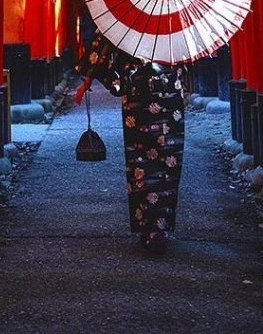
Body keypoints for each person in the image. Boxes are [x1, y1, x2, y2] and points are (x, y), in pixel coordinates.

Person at [75, 32, 186, 254]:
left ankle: (152, 227)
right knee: (163, 160)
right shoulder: (176, 17)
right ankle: (157, 228)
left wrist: (89, 77)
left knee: (146, 161)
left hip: (140, 92)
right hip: (168, 93)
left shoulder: (128, 16)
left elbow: (103, 43)